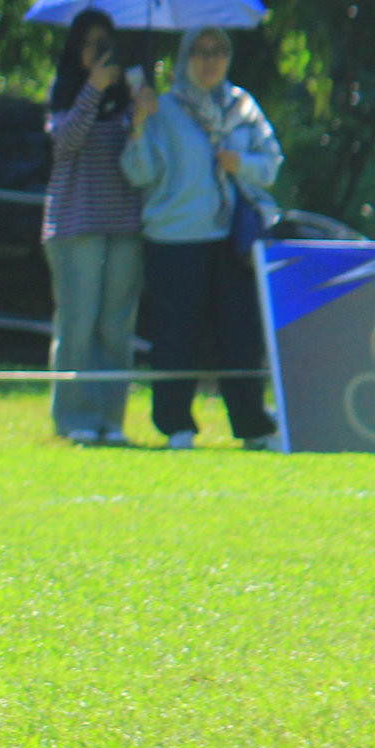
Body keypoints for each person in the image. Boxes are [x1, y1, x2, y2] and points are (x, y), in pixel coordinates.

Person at [120, 25, 281, 450]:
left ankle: (252, 425)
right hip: (176, 238)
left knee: (241, 336)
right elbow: (140, 173)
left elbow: (271, 163)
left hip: (232, 240)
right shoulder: (165, 108)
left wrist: (238, 162)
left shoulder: (242, 106)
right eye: (201, 52)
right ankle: (177, 425)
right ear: (185, 58)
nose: (211, 61)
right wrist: (138, 124)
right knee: (177, 335)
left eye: (220, 52)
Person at [44, 8, 146, 445]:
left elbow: (144, 161)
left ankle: (111, 418)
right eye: (89, 43)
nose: (98, 51)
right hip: (75, 224)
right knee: (78, 322)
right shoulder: (65, 92)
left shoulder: (132, 94)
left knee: (115, 326)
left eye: (105, 43)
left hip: (125, 224)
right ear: (76, 50)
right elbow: (64, 142)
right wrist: (92, 89)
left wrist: (142, 118)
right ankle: (74, 418)